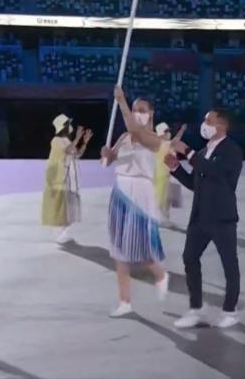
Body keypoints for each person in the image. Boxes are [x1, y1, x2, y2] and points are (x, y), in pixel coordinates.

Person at [164, 109, 243, 329]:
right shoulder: (204, 150)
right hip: (200, 216)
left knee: (229, 264)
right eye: (205, 120)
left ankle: (230, 310)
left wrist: (187, 152)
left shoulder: (231, 151)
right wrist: (175, 167)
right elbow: (194, 182)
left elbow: (213, 171)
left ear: (222, 125)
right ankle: (196, 308)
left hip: (222, 217)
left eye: (209, 121)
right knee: (190, 258)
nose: (204, 124)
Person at [100, 87, 169, 317]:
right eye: (135, 109)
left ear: (151, 113)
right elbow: (110, 162)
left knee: (141, 249)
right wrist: (107, 154)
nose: (138, 113)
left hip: (140, 192)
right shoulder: (124, 137)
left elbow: (136, 130)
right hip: (120, 191)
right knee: (119, 251)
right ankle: (124, 301)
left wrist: (122, 103)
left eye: (142, 110)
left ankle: (160, 275)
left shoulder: (153, 139)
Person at [41, 114, 91, 244]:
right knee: (60, 206)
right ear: (63, 127)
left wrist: (84, 142)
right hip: (60, 178)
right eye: (68, 124)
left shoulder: (68, 141)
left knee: (69, 206)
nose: (71, 127)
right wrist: (78, 138)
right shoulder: (56, 140)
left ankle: (64, 231)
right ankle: (58, 233)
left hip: (69, 177)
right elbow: (67, 151)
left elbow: (77, 154)